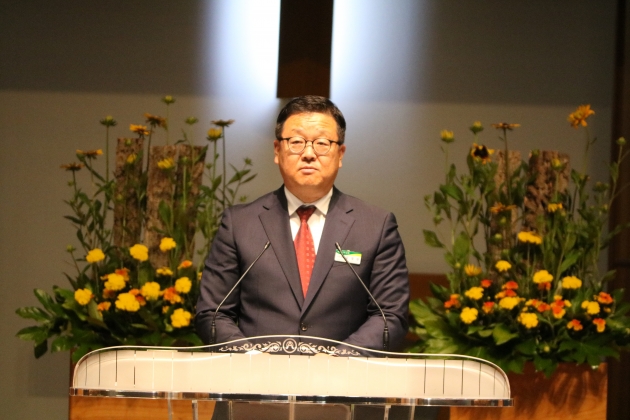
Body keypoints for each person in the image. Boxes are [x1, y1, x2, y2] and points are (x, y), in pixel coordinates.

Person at [196, 95, 409, 353]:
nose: (308, 154)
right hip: (255, 375)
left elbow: (390, 315)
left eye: (322, 143)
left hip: (343, 375)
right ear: (277, 151)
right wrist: (251, 359)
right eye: (296, 142)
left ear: (340, 154)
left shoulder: (375, 227)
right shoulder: (240, 224)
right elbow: (213, 313)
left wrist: (338, 361)